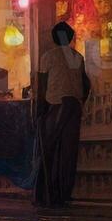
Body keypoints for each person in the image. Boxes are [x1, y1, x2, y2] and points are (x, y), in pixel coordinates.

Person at [34, 21, 92, 208]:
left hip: (55, 105)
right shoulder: (78, 57)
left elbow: (41, 85)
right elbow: (86, 84)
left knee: (49, 150)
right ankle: (62, 193)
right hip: (73, 106)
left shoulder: (48, 57)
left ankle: (46, 193)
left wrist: (40, 108)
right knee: (68, 152)